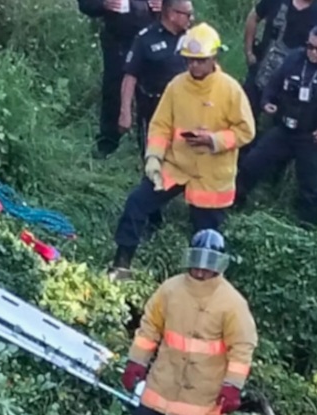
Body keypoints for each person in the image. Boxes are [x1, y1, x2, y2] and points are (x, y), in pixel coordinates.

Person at [107, 23, 255, 279]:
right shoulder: (177, 86)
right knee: (137, 203)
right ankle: (121, 266)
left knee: (205, 239)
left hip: (212, 176)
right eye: (190, 61)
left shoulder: (230, 89)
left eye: (200, 61)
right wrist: (153, 157)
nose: (194, 66)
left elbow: (246, 130)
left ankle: (199, 287)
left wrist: (213, 140)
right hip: (176, 166)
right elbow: (160, 125)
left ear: (213, 59)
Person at [121, 230, 258, 415]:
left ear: (220, 265)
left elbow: (242, 347)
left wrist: (233, 386)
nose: (201, 270)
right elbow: (149, 328)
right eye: (197, 262)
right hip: (164, 378)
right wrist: (136, 361)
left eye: (209, 264)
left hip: (204, 388)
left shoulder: (232, 302)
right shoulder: (170, 289)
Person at [234, 26, 317, 228]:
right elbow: (274, 82)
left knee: (310, 186)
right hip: (285, 129)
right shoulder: (294, 59)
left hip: (312, 136)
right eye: (310, 46)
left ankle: (308, 229)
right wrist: (267, 102)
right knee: (251, 163)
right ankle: (234, 204)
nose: (313, 53)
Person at [241, 0, 317, 145]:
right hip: (260, 72)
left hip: (291, 89)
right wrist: (249, 52)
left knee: (276, 137)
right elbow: (253, 17)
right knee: (243, 119)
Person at [77, 0, 159, 159]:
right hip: (118, 39)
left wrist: (165, 5)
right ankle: (107, 143)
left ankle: (152, 144)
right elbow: (85, 4)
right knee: (114, 90)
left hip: (153, 36)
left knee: (153, 92)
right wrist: (103, 5)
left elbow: (182, 7)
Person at [120, 0, 194, 159]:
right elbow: (130, 76)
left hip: (186, 106)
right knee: (154, 156)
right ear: (172, 14)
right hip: (154, 108)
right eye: (187, 14)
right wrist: (125, 111)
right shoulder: (145, 39)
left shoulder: (193, 37)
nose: (191, 19)